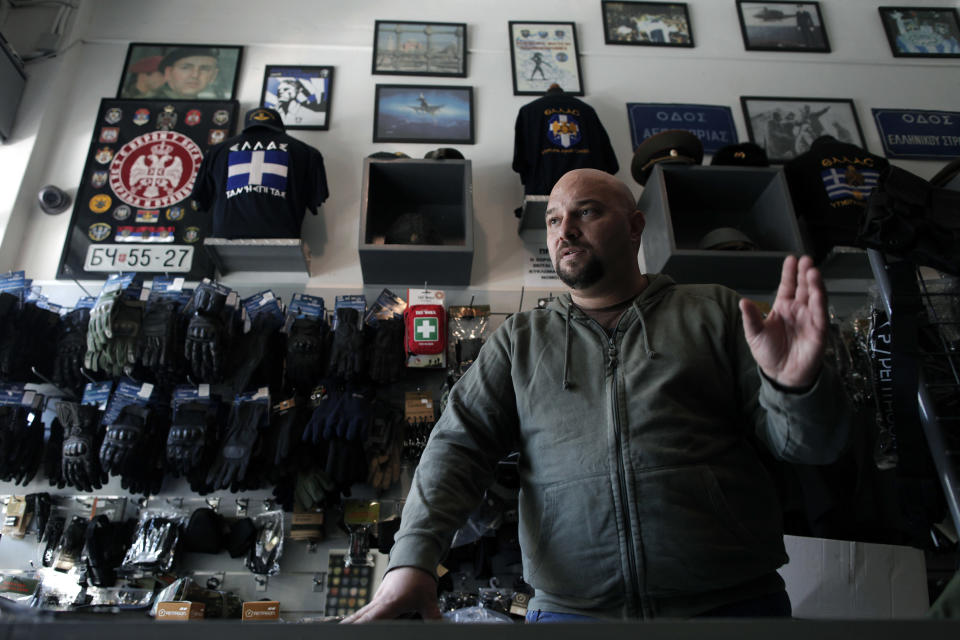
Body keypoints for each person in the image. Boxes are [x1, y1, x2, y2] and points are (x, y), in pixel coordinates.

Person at [345, 168, 850, 622]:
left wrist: (796, 386)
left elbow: (811, 449)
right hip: (571, 612)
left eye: (586, 211)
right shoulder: (520, 340)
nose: (565, 230)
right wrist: (411, 560)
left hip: (732, 604)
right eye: (554, 219)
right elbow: (457, 447)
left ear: (634, 227)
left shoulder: (715, 311)